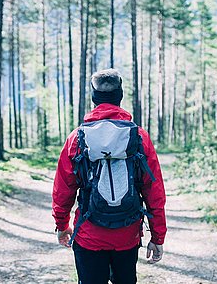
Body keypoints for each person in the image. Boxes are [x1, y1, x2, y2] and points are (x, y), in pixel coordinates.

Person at [52, 69, 167, 284]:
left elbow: (63, 189)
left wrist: (61, 225)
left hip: (88, 235)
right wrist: (158, 236)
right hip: (128, 234)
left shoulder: (77, 138)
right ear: (119, 96)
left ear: (94, 97)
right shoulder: (138, 136)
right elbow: (154, 191)